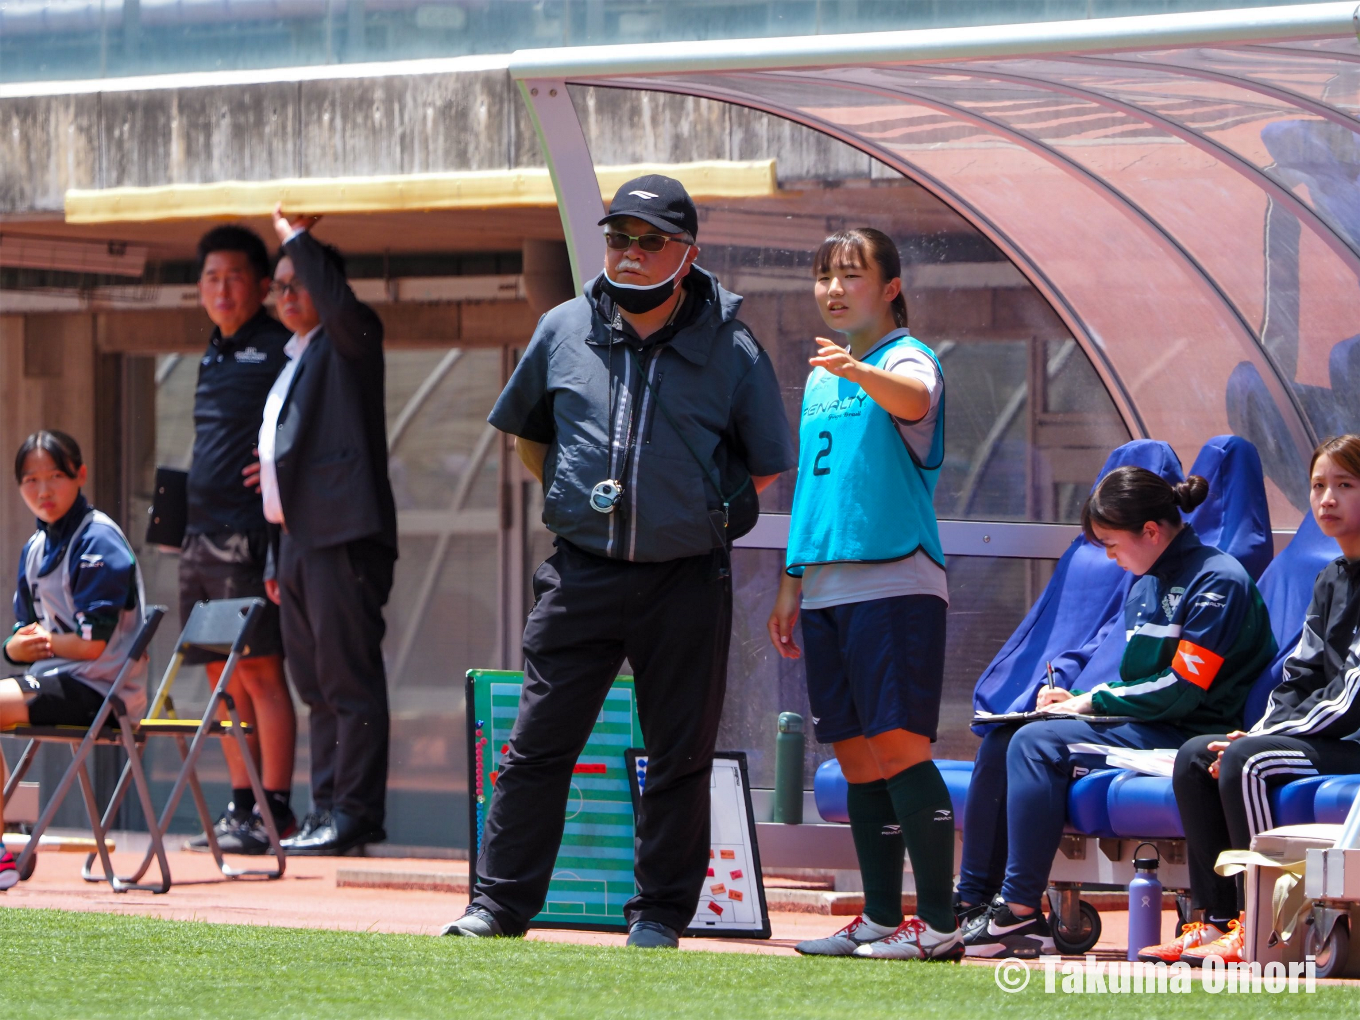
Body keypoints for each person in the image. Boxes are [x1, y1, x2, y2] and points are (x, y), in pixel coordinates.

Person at [441, 175, 795, 947]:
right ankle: (497, 909)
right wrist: (581, 499)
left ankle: (660, 916)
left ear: (687, 253)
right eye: (618, 238)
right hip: (582, 571)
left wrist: (688, 510)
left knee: (678, 754)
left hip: (686, 577)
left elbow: (765, 463)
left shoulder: (733, 346)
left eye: (649, 241)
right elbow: (532, 434)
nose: (629, 254)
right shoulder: (562, 328)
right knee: (538, 746)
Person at [962, 467, 1276, 958]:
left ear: (1150, 532)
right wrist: (1071, 701)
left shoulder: (1219, 581)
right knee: (1003, 737)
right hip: (1147, 728)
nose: (1109, 557)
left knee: (1034, 742)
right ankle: (974, 903)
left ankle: (1021, 913)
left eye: (1111, 543)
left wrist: (1089, 701)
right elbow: (1139, 685)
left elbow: (1180, 690)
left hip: (1192, 736)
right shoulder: (1145, 583)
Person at [766, 228, 960, 961]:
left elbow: (914, 398)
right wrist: (790, 582)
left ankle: (940, 927)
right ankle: (880, 917)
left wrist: (860, 370)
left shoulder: (905, 358)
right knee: (854, 758)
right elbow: (814, 489)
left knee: (900, 748)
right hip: (823, 589)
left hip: (895, 583)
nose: (833, 288)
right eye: (823, 276)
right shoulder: (822, 376)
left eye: (850, 275)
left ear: (891, 287)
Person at [1141, 435, 1360, 966]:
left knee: (1247, 760)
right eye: (1317, 486)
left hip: (1351, 738)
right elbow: (1301, 673)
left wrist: (1263, 738)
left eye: (1344, 485)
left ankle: (1259, 924)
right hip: (1325, 735)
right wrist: (1261, 726)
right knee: (1198, 755)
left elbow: (1353, 692)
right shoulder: (1332, 576)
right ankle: (1210, 921)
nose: (1326, 498)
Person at [262, 204, 397, 857]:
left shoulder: (350, 338)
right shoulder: (297, 358)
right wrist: (273, 550)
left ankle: (355, 812)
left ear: (326, 286)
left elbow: (340, 308)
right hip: (295, 542)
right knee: (315, 686)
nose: (286, 296)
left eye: (298, 283)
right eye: (278, 287)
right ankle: (324, 809)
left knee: (348, 681)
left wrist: (296, 235)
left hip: (343, 537)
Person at [183, 225, 297, 854]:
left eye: (233, 277)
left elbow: (305, 422)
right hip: (199, 536)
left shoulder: (279, 347)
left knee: (258, 673)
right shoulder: (212, 349)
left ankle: (275, 809)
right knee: (220, 681)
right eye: (210, 277)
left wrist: (281, 459)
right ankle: (241, 806)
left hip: (249, 535)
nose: (221, 289)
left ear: (260, 284)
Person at [1, 431, 146, 889]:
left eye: (56, 477)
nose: (43, 491)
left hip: (105, 691)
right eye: (30, 481)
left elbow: (91, 647)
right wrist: (12, 650)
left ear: (80, 475)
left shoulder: (99, 539)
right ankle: (10, 838)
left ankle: (3, 853)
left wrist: (35, 645)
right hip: (58, 680)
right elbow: (22, 638)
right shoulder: (35, 549)